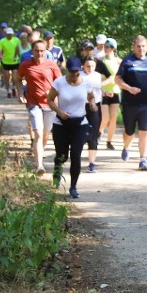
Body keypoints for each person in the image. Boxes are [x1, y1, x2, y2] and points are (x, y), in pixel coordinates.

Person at [47, 56, 97, 198]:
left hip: (80, 123)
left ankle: (73, 187)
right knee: (62, 155)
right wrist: (60, 112)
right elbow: (49, 100)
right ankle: (57, 173)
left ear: (80, 69)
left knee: (76, 154)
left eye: (77, 71)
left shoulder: (86, 83)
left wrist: (92, 103)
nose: (75, 74)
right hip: (61, 124)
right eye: (72, 71)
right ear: (67, 70)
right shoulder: (59, 83)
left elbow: (91, 97)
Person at [115, 35, 147, 170]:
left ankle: (143, 159)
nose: (141, 49)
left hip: (145, 103)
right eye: (138, 46)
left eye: (143, 46)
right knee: (129, 132)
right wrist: (129, 88)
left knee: (144, 131)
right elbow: (117, 79)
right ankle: (126, 147)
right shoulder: (127, 61)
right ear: (134, 47)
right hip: (129, 103)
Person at [19, 40, 62, 174]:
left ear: (46, 51)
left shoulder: (52, 65)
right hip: (33, 103)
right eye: (37, 50)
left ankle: (38, 152)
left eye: (42, 50)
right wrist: (20, 93)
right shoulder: (26, 65)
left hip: (50, 103)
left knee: (45, 134)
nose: (39, 53)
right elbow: (18, 78)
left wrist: (53, 93)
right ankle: (39, 166)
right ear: (32, 51)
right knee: (37, 133)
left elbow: (60, 83)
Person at [80, 58, 104, 173]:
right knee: (80, 134)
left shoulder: (98, 76)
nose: (90, 68)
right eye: (88, 66)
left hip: (95, 108)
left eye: (93, 66)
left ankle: (91, 163)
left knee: (94, 135)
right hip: (81, 107)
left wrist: (106, 92)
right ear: (83, 66)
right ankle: (76, 159)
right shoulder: (79, 75)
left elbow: (101, 89)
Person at [100, 38, 122, 150]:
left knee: (113, 118)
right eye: (104, 46)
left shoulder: (118, 61)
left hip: (115, 91)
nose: (105, 48)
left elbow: (121, 76)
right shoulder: (100, 60)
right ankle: (98, 132)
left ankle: (109, 141)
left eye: (107, 47)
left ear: (113, 48)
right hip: (103, 91)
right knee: (105, 118)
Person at [0, 27, 21, 98]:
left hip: (15, 61)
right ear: (6, 34)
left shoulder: (16, 40)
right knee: (7, 77)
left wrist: (17, 56)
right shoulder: (2, 41)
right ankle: (8, 90)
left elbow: (19, 48)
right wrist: (0, 56)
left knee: (14, 77)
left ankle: (13, 87)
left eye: (11, 34)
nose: (9, 35)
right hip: (6, 62)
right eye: (8, 34)